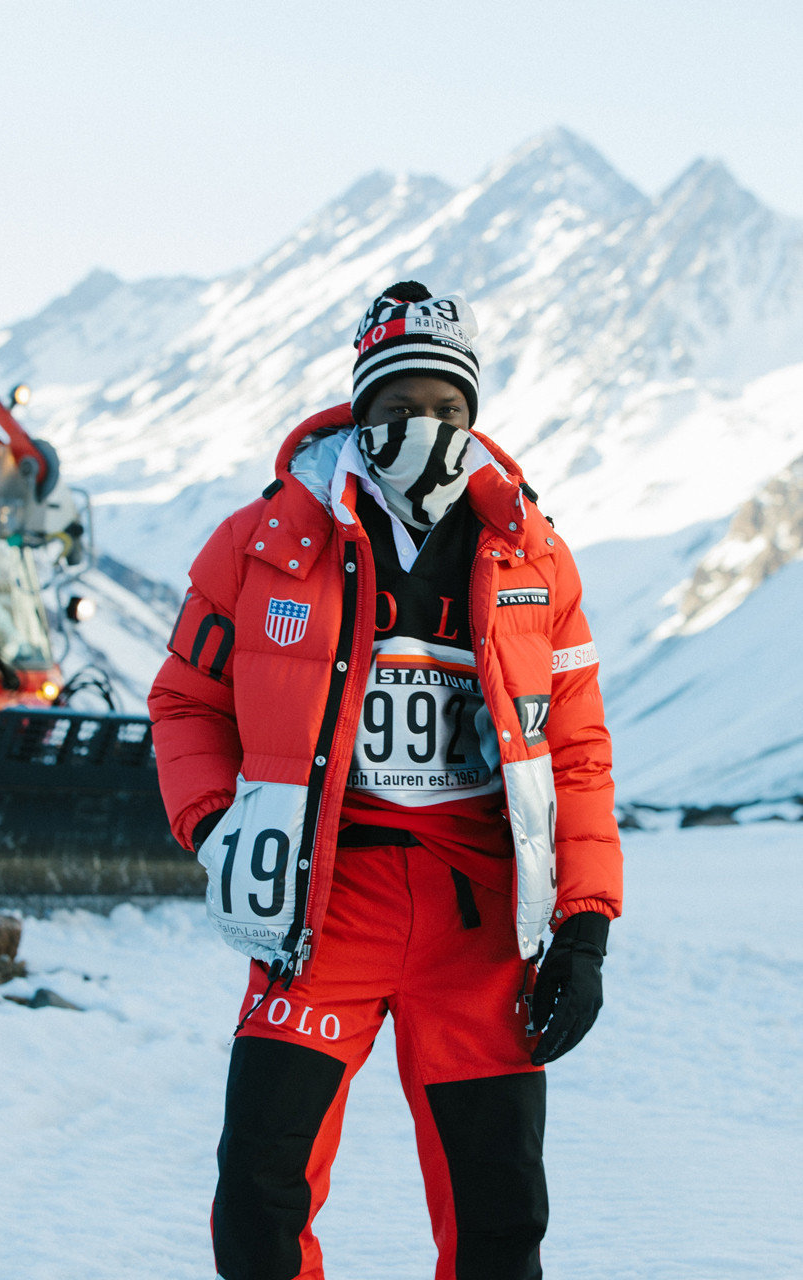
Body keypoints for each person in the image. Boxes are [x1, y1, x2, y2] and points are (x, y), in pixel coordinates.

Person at [148, 281, 623, 1280]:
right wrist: (214, 828)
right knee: (259, 1189)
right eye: (399, 405)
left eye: (447, 409)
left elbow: (575, 747)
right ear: (359, 409)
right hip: (321, 906)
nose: (425, 428)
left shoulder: (533, 555)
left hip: (475, 917)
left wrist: (582, 928)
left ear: (474, 414)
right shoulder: (260, 541)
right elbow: (186, 699)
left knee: (499, 1211)